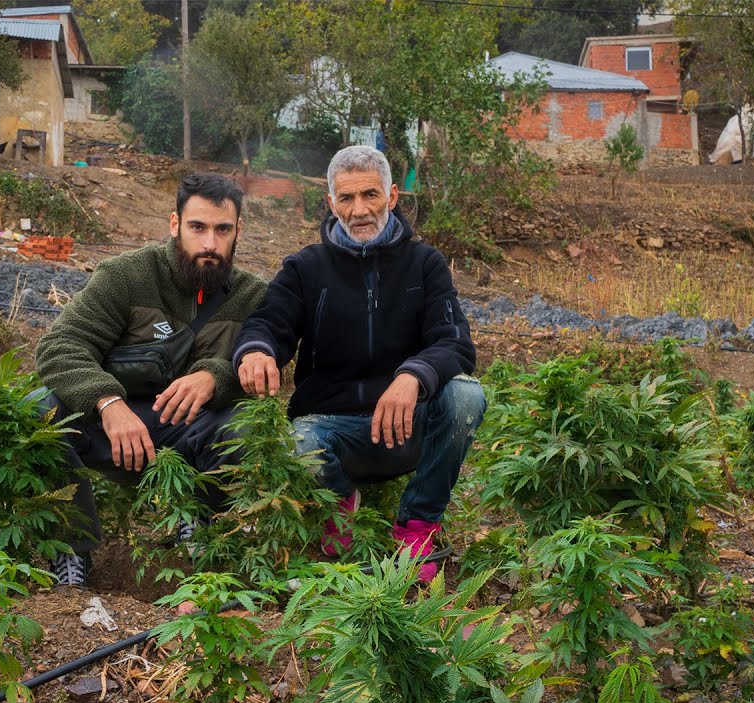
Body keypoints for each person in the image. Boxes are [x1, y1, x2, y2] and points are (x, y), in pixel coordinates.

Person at [233, 146, 485, 583]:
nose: (359, 209)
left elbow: (454, 342)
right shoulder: (304, 268)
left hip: (408, 428)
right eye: (346, 199)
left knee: (466, 395)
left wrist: (412, 376)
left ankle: (418, 526)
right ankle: (339, 512)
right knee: (298, 439)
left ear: (392, 197)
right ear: (331, 204)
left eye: (370, 194)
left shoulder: (424, 264)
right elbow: (267, 324)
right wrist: (256, 350)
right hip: (334, 433)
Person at [34, 172, 267, 587]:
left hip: (195, 430)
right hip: (119, 428)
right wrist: (107, 402)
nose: (210, 244)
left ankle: (203, 529)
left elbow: (269, 364)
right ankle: (72, 549)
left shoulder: (252, 295)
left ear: (238, 232)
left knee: (245, 425)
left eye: (222, 230)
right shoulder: (126, 276)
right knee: (41, 410)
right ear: (175, 224)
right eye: (197, 227)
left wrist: (214, 376)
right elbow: (60, 346)